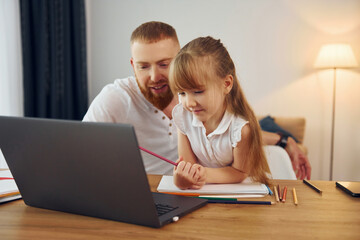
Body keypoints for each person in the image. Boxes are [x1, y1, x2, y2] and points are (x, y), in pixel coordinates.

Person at [83, 21, 311, 179]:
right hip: (153, 192)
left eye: (164, 64)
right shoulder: (115, 98)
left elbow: (231, 134)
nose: (154, 77)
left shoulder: (198, 99)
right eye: (144, 66)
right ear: (134, 65)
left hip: (197, 191)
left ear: (180, 59)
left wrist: (284, 141)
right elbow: (80, 150)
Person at [169, 36, 270, 189]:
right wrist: (182, 179)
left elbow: (240, 172)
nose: (189, 103)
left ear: (227, 84)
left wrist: (203, 174)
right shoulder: (183, 116)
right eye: (182, 93)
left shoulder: (241, 130)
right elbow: (188, 165)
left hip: (240, 194)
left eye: (198, 91)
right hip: (205, 194)